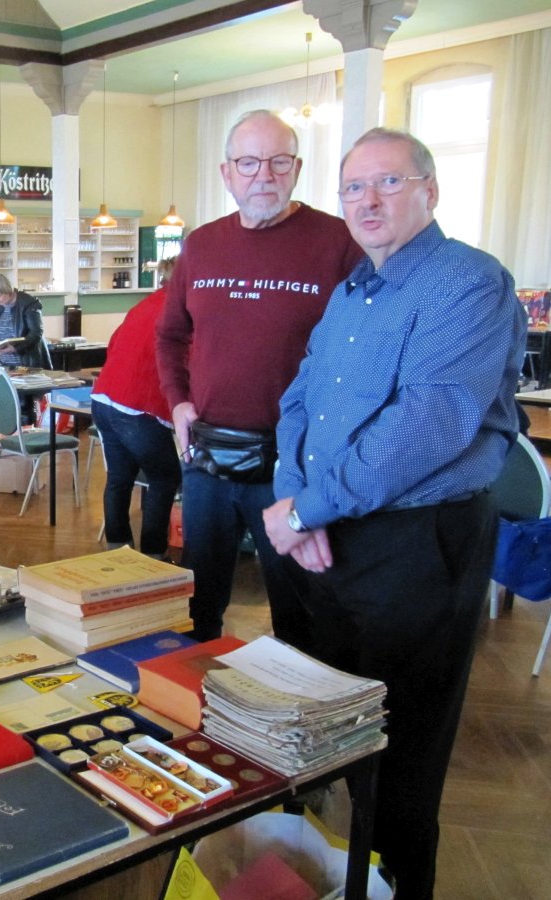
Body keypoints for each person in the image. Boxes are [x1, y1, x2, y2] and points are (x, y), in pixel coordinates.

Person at [263, 128, 524, 900]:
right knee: (328, 721)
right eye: (353, 187)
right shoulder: (353, 289)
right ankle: (333, 876)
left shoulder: (469, 282)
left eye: (388, 183)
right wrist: (294, 500)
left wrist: (305, 510)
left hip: (417, 542)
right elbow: (299, 398)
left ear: (429, 191)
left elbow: (427, 425)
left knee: (403, 744)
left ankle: (401, 885)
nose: (367, 201)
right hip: (328, 533)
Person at [156, 109, 362, 646]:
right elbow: (170, 335)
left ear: (297, 169)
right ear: (227, 173)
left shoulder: (339, 242)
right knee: (197, 610)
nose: (263, 176)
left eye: (278, 162)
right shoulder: (201, 244)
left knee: (301, 613)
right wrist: (177, 401)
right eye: (248, 163)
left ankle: (298, 700)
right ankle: (194, 697)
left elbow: (366, 352)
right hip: (208, 459)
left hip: (294, 464)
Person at [90, 255, 182, 557]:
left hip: (105, 398)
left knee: (119, 478)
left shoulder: (145, 304)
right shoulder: (181, 310)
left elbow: (115, 345)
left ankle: (119, 552)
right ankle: (154, 555)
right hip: (137, 406)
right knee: (165, 478)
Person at [0, 274, 47, 369]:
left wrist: (15, 348)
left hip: (26, 365)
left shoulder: (29, 303)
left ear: (8, 290)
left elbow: (36, 333)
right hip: (3, 364)